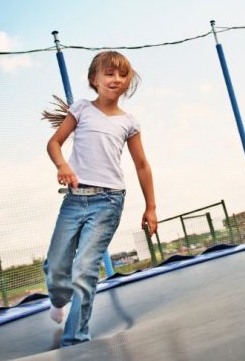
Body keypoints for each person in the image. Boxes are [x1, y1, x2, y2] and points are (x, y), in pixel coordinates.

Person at [41, 50, 158, 347]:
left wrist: (151, 207)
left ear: (128, 81)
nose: (116, 79)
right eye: (109, 73)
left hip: (108, 201)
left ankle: (76, 340)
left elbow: (142, 165)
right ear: (94, 79)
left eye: (122, 75)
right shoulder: (81, 109)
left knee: (84, 268)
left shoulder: (129, 122)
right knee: (56, 266)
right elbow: (54, 143)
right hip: (74, 199)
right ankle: (58, 298)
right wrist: (63, 166)